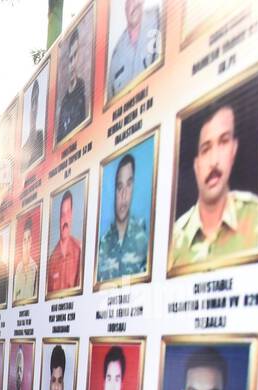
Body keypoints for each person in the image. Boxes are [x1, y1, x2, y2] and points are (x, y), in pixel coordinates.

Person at [170, 103, 258, 268]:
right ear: (196, 165)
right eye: (206, 149)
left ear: (234, 150)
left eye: (223, 142)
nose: (214, 161)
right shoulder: (174, 239)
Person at [97, 152, 150, 282]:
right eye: (119, 187)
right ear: (114, 191)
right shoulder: (102, 245)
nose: (124, 194)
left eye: (129, 185)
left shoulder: (144, 240)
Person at [108, 0, 162, 101]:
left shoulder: (161, 19)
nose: (135, 3)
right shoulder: (116, 55)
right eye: (130, 1)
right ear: (125, 5)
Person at [55, 27, 89, 141]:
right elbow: (59, 137)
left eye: (76, 55)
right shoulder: (64, 101)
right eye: (70, 59)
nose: (73, 64)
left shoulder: (82, 88)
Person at [46, 191, 83, 294]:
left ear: (71, 215)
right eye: (62, 214)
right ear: (59, 219)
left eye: (68, 213)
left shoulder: (79, 252)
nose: (65, 218)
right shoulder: (52, 260)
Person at [12, 217, 38, 303]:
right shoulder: (18, 269)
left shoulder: (35, 268)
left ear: (31, 242)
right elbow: (14, 297)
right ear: (22, 243)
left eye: (28, 239)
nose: (26, 243)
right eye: (24, 240)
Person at [23, 77, 46, 167]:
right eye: (32, 102)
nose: (34, 108)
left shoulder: (43, 140)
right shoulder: (22, 151)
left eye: (36, 102)